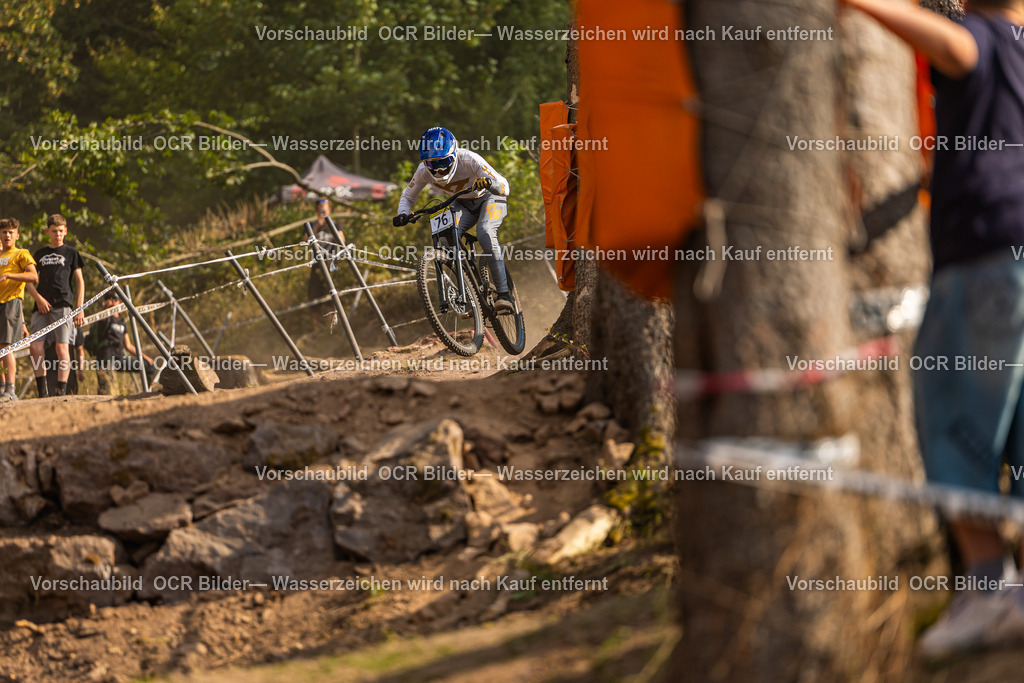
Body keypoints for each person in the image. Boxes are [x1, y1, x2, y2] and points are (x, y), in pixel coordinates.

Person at [844, 0, 1024, 659]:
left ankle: (988, 591)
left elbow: (953, 48)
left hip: (982, 256)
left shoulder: (980, 39)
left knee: (952, 418)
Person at [393, 126, 514, 313]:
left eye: (444, 162)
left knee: (485, 232)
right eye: (433, 165)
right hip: (461, 202)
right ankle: (470, 292)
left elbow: (505, 186)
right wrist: (403, 213)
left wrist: (491, 184)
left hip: (489, 198)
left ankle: (504, 295)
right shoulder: (422, 171)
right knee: (444, 237)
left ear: (454, 154)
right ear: (426, 164)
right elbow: (408, 196)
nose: (440, 170)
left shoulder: (469, 159)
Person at [26, 214, 85, 397]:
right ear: (47, 232)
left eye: (60, 231)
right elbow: (29, 281)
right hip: (42, 306)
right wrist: (38, 298)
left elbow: (79, 281)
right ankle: (42, 391)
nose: (57, 234)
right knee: (35, 348)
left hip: (63, 305)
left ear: (65, 231)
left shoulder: (71, 252)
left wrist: (79, 307)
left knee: (62, 348)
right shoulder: (39, 254)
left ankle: (61, 389)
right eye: (54, 231)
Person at [86, 294, 155, 395]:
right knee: (107, 389)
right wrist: (105, 308)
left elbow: (128, 346)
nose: (113, 301)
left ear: (120, 302)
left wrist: (145, 358)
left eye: (115, 299)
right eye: (109, 299)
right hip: (105, 358)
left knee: (149, 366)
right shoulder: (104, 318)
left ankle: (150, 394)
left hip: (120, 358)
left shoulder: (122, 322)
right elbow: (100, 321)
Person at [0, 218, 38, 402]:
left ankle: (10, 389)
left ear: (17, 235)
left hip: (10, 302)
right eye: (4, 232)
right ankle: (2, 387)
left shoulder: (21, 253)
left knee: (6, 347)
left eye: (10, 232)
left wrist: (9, 275)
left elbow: (33, 276)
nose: (7, 235)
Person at [306, 198, 344, 325]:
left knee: (331, 292)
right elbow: (305, 241)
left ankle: (333, 323)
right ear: (316, 211)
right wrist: (317, 225)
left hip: (331, 263)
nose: (322, 212)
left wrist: (329, 225)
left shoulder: (336, 224)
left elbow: (341, 240)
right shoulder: (311, 225)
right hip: (316, 264)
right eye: (320, 210)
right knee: (314, 292)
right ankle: (315, 325)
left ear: (329, 210)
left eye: (324, 209)